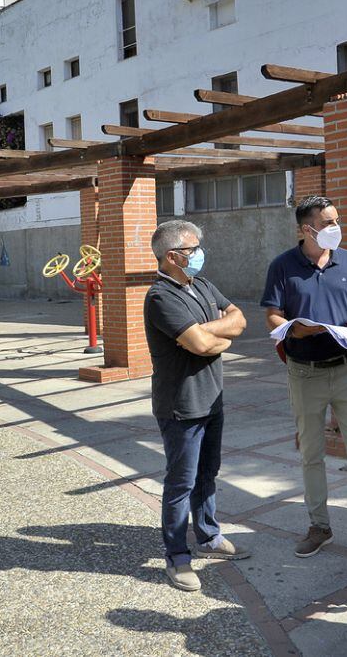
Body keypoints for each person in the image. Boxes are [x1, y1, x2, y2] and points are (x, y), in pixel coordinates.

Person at [261, 196, 347, 565]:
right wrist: (292, 332)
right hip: (304, 372)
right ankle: (319, 526)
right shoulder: (282, 266)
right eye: (329, 222)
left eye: (337, 219)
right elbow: (273, 315)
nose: (337, 227)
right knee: (311, 455)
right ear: (308, 229)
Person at [143, 220, 250, 591]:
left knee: (208, 473)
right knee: (180, 482)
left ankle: (208, 536)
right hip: (181, 406)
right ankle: (177, 557)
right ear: (172, 256)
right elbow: (201, 345)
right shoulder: (161, 297)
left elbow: (239, 319)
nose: (199, 253)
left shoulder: (201, 285)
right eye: (192, 249)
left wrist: (209, 331)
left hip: (212, 398)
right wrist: (215, 336)